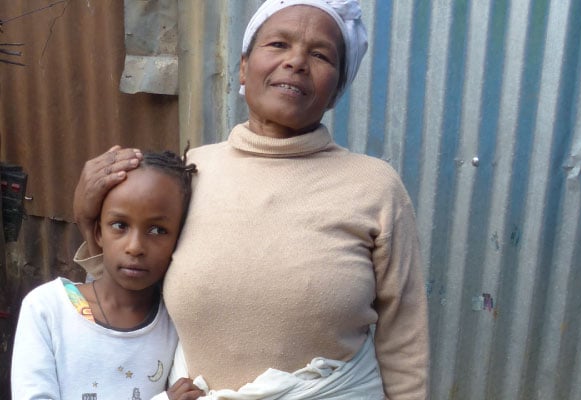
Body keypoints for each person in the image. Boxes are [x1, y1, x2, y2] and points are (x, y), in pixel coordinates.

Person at [73, 0, 429, 398]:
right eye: (278, 44)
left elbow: (404, 337)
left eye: (320, 54)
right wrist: (88, 219)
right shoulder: (189, 174)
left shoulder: (375, 187)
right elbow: (129, 290)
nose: (296, 61)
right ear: (244, 67)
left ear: (336, 90)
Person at [11, 151, 204, 400]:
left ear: (180, 238)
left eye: (158, 230)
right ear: (98, 232)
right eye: (120, 225)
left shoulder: (174, 323)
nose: (135, 246)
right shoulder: (47, 310)